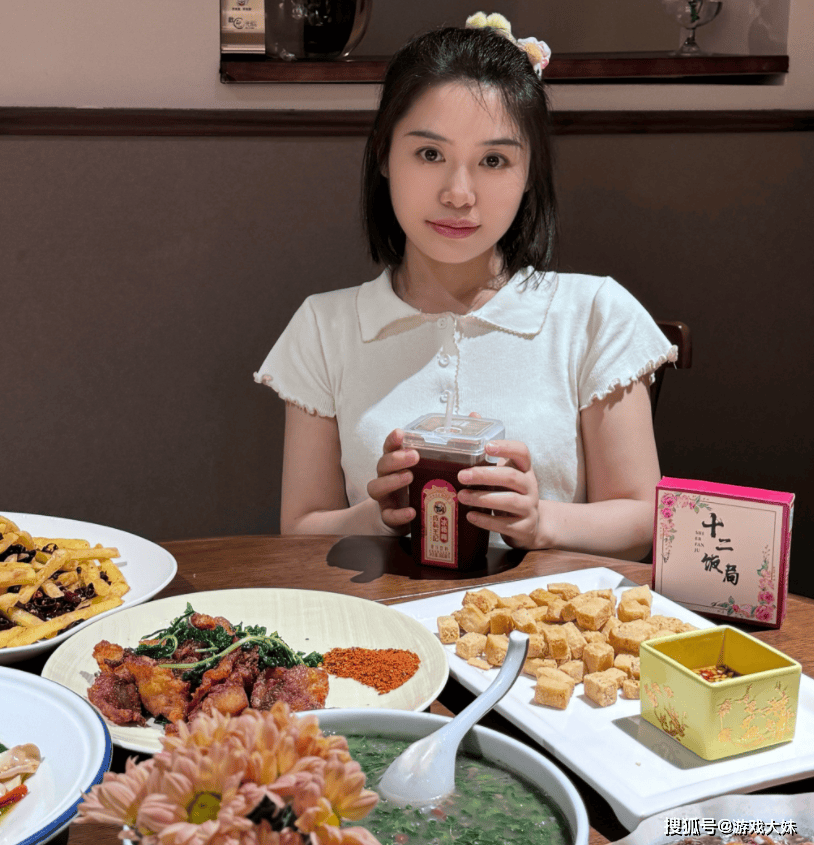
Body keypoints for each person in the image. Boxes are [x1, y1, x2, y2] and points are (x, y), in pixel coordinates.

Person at [254, 15, 676, 561]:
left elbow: (645, 518)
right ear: (384, 154)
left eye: (493, 160)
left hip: (543, 613)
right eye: (430, 154)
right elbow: (301, 529)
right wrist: (378, 516)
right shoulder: (323, 327)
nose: (459, 193)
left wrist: (541, 520)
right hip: (383, 613)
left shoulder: (595, 313)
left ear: (530, 172)